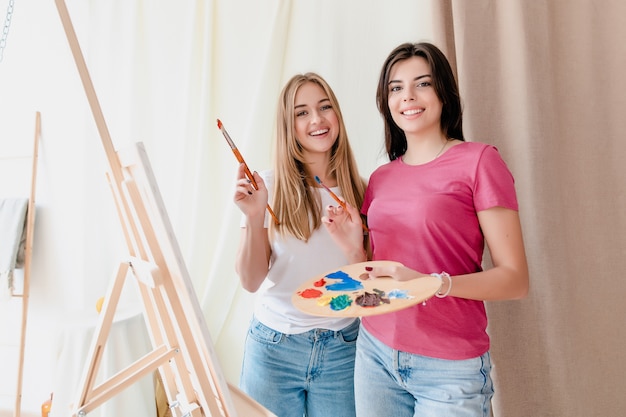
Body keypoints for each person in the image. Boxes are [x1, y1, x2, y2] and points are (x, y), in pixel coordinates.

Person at [322, 42, 529, 417]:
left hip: (448, 368)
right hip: (376, 353)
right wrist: (353, 250)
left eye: (423, 84)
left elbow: (515, 280)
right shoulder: (381, 179)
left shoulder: (480, 162)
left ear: (444, 93)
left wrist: (434, 283)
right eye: (396, 88)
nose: (408, 97)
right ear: (386, 102)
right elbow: (383, 272)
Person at [233, 72, 367, 417]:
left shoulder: (362, 190)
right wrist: (253, 217)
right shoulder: (267, 186)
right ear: (287, 126)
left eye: (325, 108)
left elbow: (370, 282)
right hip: (274, 348)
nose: (317, 120)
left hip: (344, 348)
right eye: (301, 112)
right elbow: (250, 282)